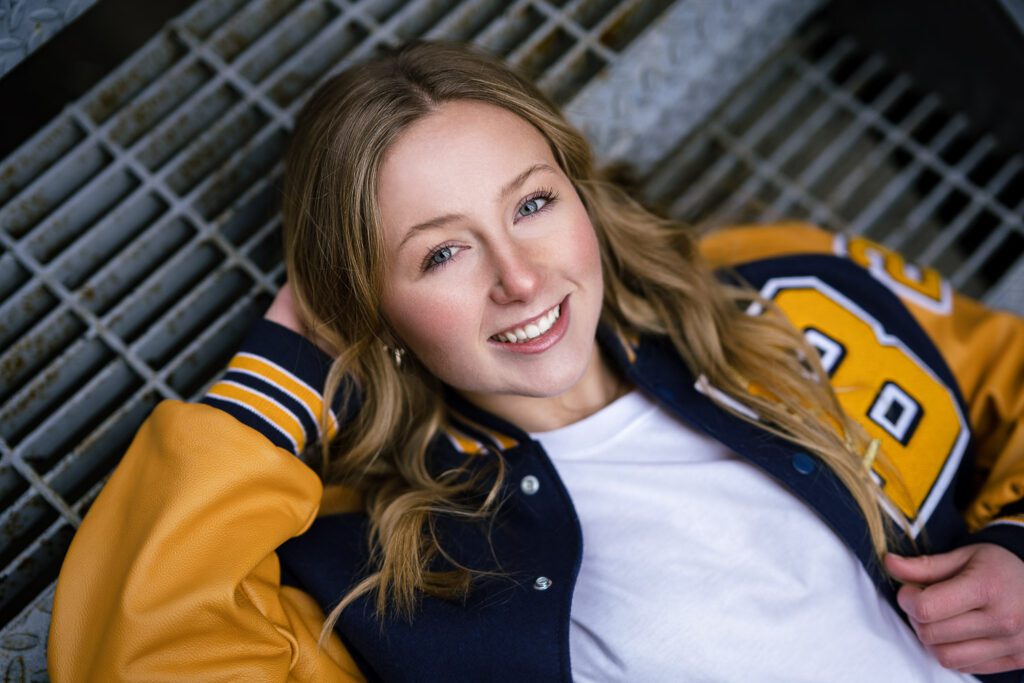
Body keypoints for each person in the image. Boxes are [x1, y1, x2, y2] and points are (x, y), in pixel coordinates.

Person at [48, 41, 1024, 682]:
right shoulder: (380, 571)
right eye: (442, 252)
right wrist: (283, 373)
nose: (519, 278)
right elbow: (143, 656)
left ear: (578, 189)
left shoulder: (778, 293)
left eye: (531, 203)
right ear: (366, 307)